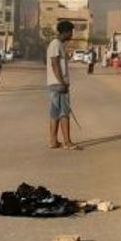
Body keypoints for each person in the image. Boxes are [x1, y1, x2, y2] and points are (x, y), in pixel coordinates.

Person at [46, 20, 78, 150]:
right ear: (66, 32)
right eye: (71, 32)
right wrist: (62, 82)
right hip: (58, 84)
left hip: (56, 83)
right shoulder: (55, 44)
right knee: (64, 113)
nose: (72, 34)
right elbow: (55, 64)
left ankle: (54, 142)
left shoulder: (57, 44)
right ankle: (67, 142)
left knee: (55, 113)